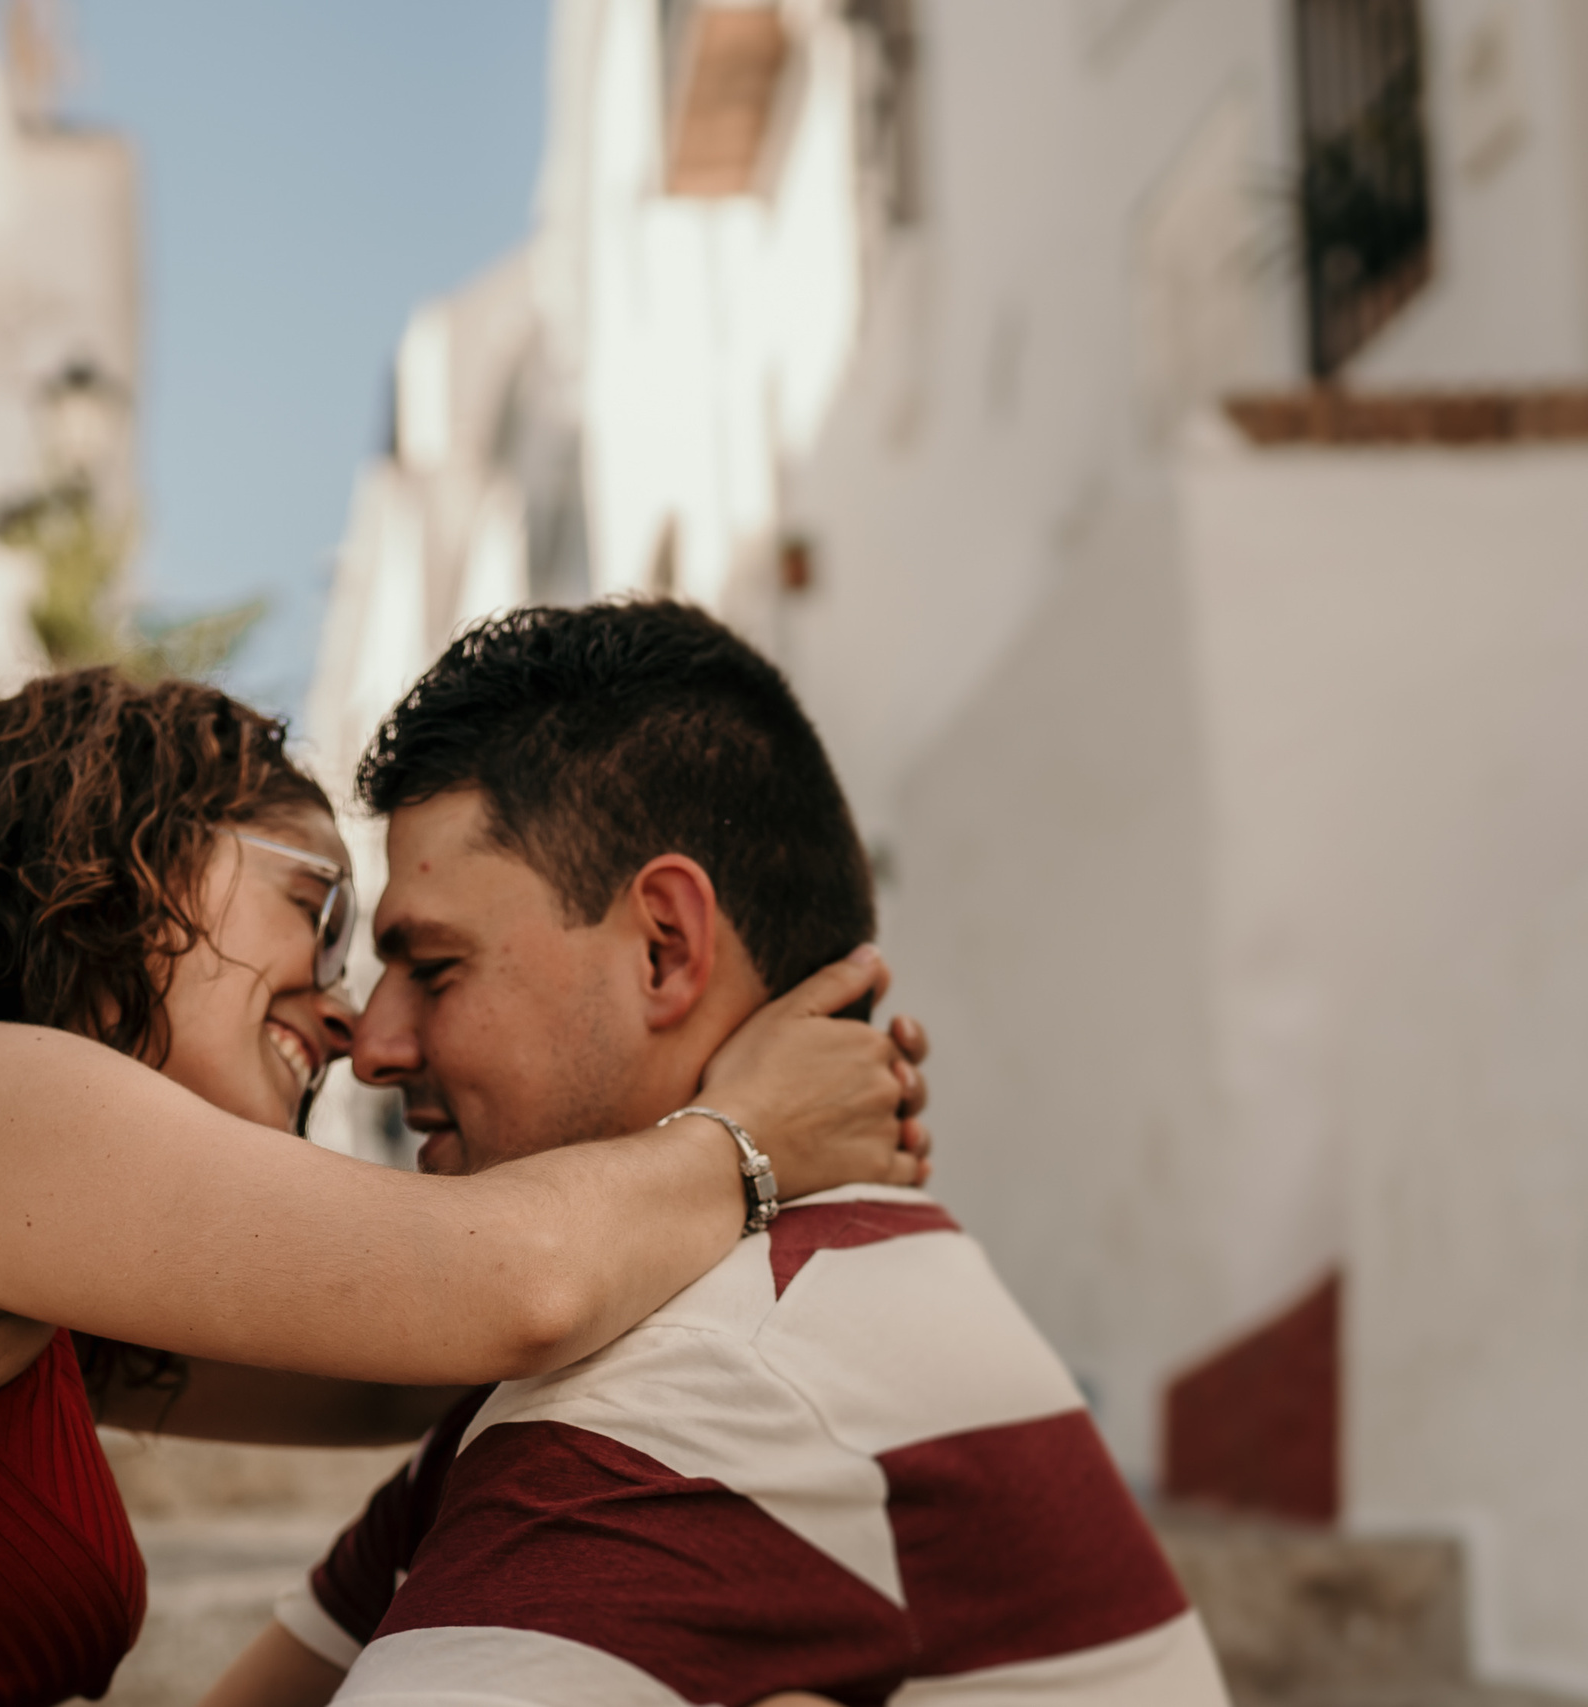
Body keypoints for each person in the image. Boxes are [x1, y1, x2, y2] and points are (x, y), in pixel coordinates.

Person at [0, 667, 931, 1706]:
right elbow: (506, 1288)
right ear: (116, 859)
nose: (344, 1015)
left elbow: (404, 1378)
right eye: (313, 913)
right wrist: (753, 1129)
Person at [203, 603, 1225, 1707]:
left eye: (436, 968)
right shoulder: (709, 1335)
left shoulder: (715, 1375)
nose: (374, 1048)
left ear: (665, 947)